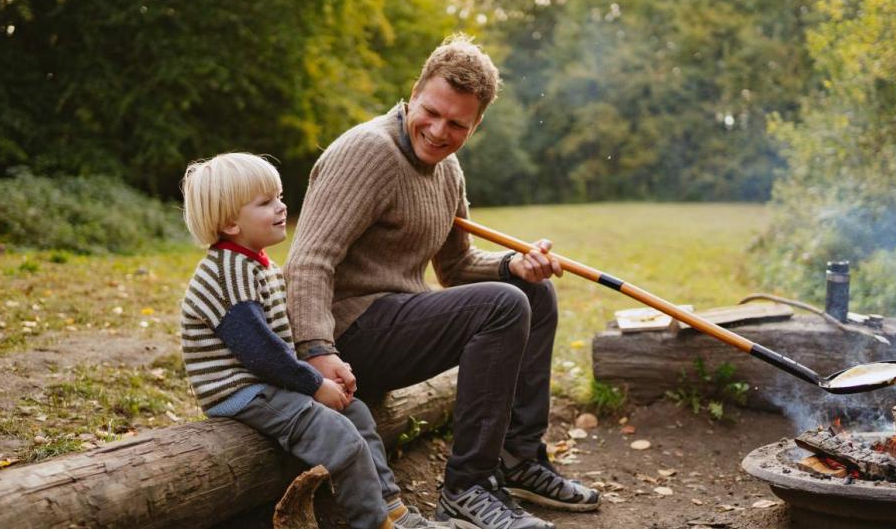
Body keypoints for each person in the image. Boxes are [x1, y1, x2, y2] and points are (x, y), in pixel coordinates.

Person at [287, 36, 601, 529]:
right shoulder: (367, 152)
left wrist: (513, 267)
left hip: (397, 320)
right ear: (413, 93)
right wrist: (316, 351)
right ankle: (467, 488)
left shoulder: (446, 169)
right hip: (347, 336)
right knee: (502, 306)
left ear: (476, 125)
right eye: (431, 112)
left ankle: (519, 459)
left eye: (457, 124)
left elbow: (455, 268)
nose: (437, 131)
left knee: (532, 293)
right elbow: (307, 261)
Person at [178, 152, 465, 529]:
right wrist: (314, 385)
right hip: (241, 391)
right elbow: (261, 354)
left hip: (266, 382)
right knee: (339, 438)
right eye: (266, 203)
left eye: (279, 197)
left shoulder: (254, 264)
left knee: (357, 413)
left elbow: (282, 336)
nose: (281, 208)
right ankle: (372, 522)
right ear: (230, 222)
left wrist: (325, 367)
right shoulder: (227, 273)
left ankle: (391, 507)